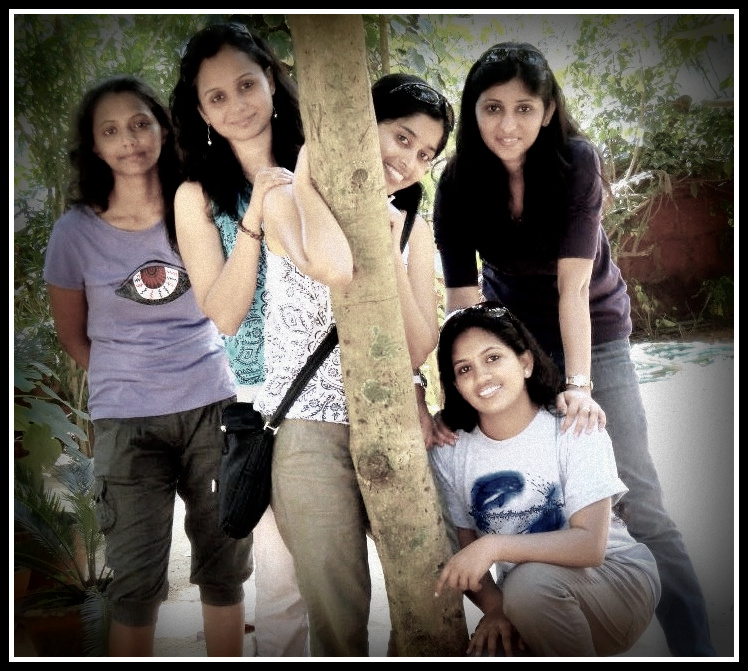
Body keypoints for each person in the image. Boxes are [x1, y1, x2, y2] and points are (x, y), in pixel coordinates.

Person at [432, 42, 716, 656]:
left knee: (637, 497)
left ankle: (696, 646)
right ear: (473, 112)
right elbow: (462, 300)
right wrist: (459, 392)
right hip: (513, 341)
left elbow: (573, 288)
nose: (508, 124)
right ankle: (555, 614)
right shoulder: (456, 183)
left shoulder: (575, 162)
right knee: (534, 487)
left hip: (593, 327)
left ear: (548, 110)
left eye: (524, 108)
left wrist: (580, 386)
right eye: (492, 107)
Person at [42, 74, 249, 656]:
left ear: (163, 127)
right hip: (126, 421)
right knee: (134, 585)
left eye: (139, 123)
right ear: (94, 145)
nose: (129, 140)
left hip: (211, 404)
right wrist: (132, 378)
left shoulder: (197, 205)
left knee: (225, 570)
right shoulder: (74, 233)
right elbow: (74, 336)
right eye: (111, 131)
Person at [250, 72, 455, 656]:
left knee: (426, 592)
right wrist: (308, 171)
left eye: (425, 154)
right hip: (309, 427)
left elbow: (419, 346)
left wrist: (391, 248)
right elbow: (335, 266)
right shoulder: (284, 199)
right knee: (338, 617)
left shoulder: (414, 227)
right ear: (363, 125)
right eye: (401, 137)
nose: (410, 161)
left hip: (391, 423)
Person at [170, 23, 309, 657]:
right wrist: (254, 215)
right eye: (217, 97)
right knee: (282, 587)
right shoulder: (195, 196)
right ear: (201, 112)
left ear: (272, 81)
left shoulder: (321, 160)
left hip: (347, 379)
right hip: (267, 401)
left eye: (246, 84)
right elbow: (224, 315)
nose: (236, 105)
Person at [430, 302, 660, 657]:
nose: (482, 376)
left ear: (525, 362)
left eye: (493, 358)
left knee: (527, 590)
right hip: (529, 599)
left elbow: (590, 547)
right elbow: (465, 550)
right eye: (464, 369)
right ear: (456, 385)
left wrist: (494, 546)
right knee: (493, 644)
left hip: (618, 582)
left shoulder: (574, 425)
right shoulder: (452, 451)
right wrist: (495, 610)